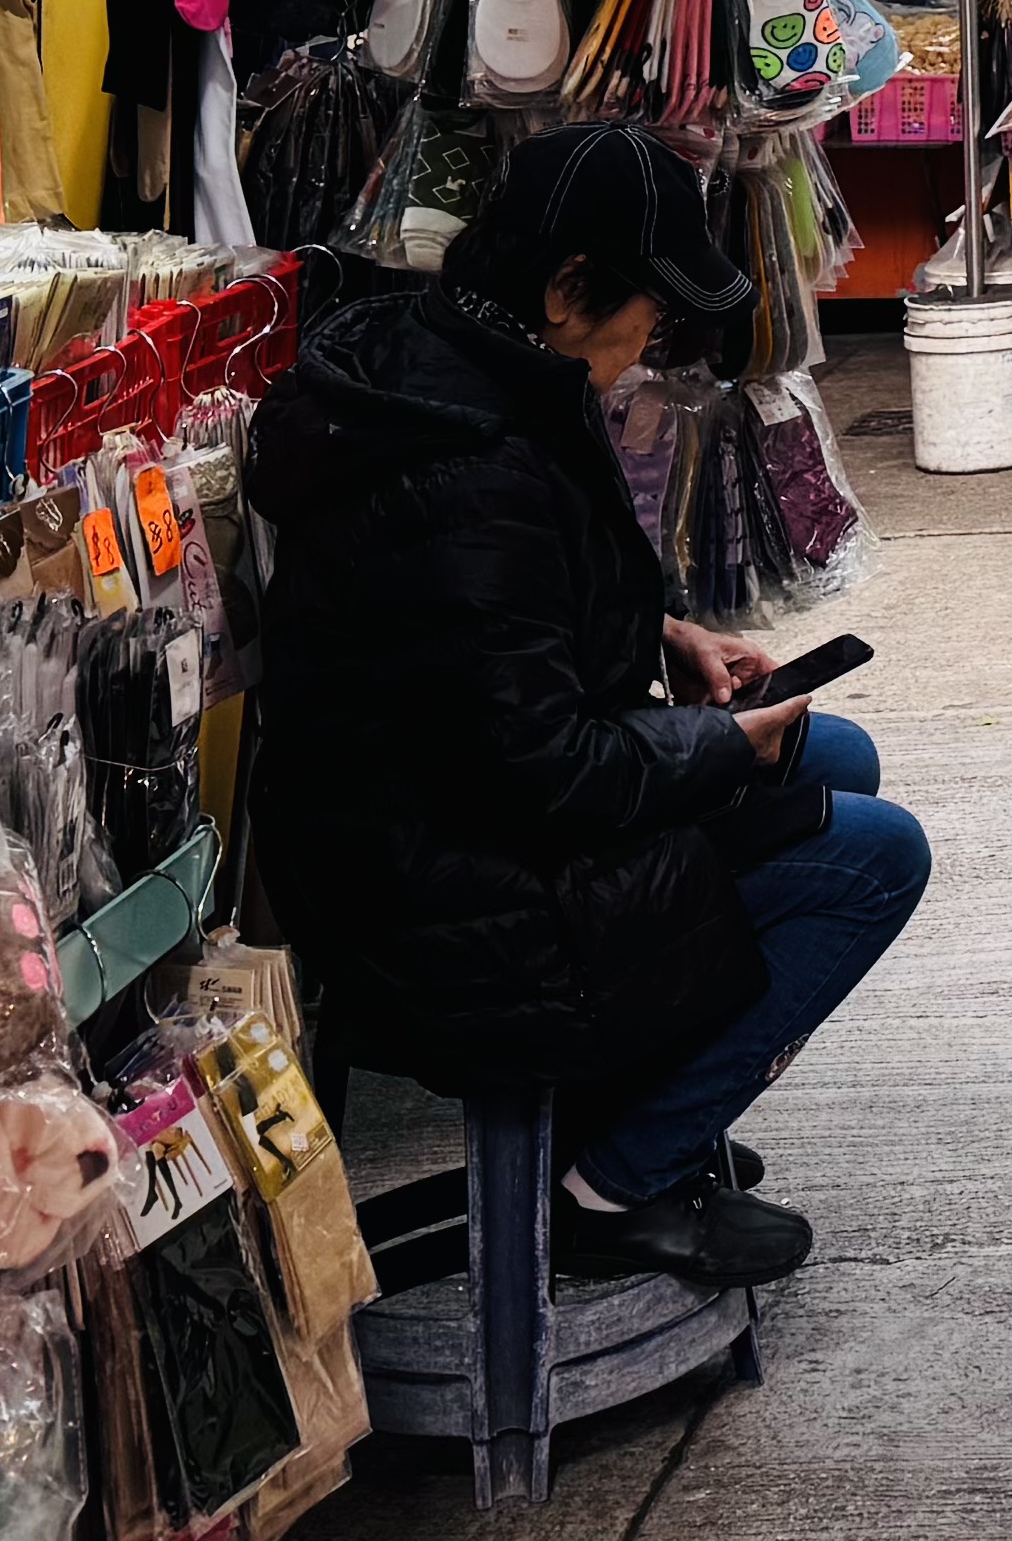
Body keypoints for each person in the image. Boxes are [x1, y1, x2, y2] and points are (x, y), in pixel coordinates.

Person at [246, 125, 931, 1289]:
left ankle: (641, 1107)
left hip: (447, 833)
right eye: (646, 316)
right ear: (568, 290)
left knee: (835, 755)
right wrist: (717, 746)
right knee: (878, 857)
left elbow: (500, 626)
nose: (651, 342)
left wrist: (664, 631)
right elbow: (542, 765)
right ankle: (614, 1187)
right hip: (451, 907)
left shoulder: (465, 365)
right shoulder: (466, 463)